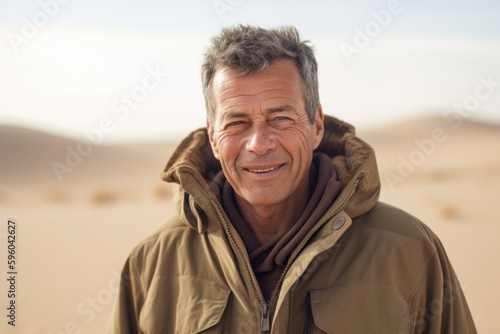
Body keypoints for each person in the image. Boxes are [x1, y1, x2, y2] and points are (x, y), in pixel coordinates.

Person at [108, 25, 476, 333]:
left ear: (316, 126)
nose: (259, 144)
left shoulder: (408, 249)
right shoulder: (152, 262)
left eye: (280, 118)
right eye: (236, 122)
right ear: (212, 137)